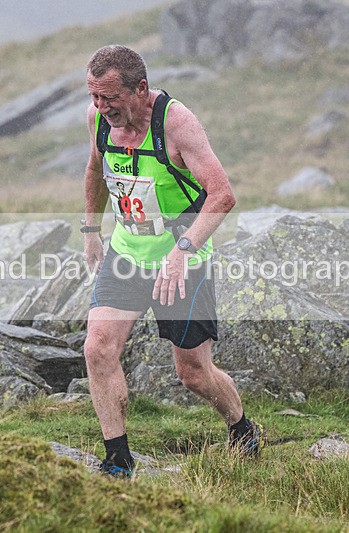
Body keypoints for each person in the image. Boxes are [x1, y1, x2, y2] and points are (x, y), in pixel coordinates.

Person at [81, 44, 265, 478]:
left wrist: (183, 253)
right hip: (128, 253)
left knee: (193, 374)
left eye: (110, 98)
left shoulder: (177, 124)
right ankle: (118, 459)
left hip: (184, 256)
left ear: (140, 89)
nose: (101, 108)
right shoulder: (98, 120)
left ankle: (241, 426)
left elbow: (222, 195)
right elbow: (94, 170)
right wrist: (91, 231)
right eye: (94, 97)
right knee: (98, 348)